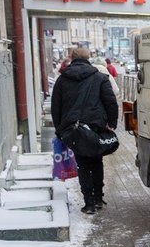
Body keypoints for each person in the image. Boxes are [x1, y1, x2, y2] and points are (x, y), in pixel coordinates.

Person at [51, 46, 119, 214]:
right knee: (96, 161)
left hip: (73, 129)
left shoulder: (62, 79)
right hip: (95, 127)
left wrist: (60, 129)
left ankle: (88, 202)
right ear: (88, 57)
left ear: (71, 58)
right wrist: (112, 122)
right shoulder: (99, 77)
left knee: (82, 163)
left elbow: (56, 107)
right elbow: (110, 101)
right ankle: (97, 199)